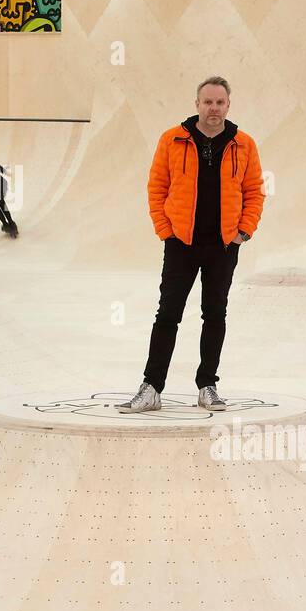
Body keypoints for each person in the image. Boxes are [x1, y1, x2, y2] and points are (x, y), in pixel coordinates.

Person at [119, 77, 265, 413]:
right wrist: (165, 230)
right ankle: (152, 386)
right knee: (167, 314)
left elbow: (254, 191)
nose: (213, 109)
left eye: (220, 103)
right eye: (208, 102)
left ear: (228, 105)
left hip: (224, 245)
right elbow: (157, 186)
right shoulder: (172, 139)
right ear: (196, 104)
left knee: (215, 314)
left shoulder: (244, 144)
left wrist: (243, 232)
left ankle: (207, 386)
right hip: (181, 244)